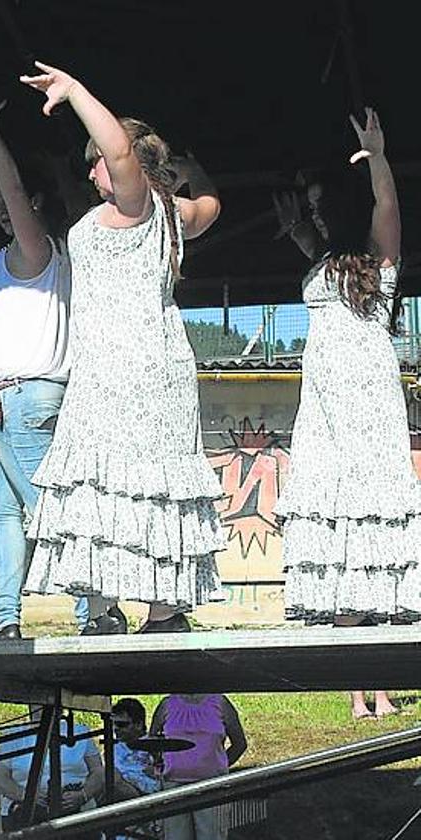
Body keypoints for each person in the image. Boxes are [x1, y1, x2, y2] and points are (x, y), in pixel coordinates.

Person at [15, 62, 226, 633]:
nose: (92, 171)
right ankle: (158, 610)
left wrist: (76, 90)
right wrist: (193, 169)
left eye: (97, 161)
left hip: (124, 368)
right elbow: (211, 205)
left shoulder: (137, 204)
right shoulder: (173, 214)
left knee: (117, 482)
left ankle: (126, 610)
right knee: (143, 483)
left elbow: (123, 157)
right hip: (146, 366)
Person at [272, 108, 420, 721]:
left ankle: (378, 685)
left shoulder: (378, 268)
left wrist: (379, 157)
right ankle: (357, 690)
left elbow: (388, 210)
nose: (315, 212)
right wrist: (297, 227)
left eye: (319, 201)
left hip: (369, 409)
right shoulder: (323, 263)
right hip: (324, 412)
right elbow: (315, 247)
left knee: (369, 535)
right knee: (338, 534)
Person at [0, 92, 105, 639]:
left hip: (28, 399)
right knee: (2, 514)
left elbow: (16, 193)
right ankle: (5, 619)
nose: (3, 209)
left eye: (10, 203)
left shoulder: (39, 253)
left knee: (48, 512)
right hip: (5, 404)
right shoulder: (10, 260)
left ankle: (93, 611)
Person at [0, 705, 105, 833]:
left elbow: (98, 771)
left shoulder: (79, 732)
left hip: (75, 807)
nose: (44, 706)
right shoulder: (13, 737)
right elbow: (0, 779)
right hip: (25, 811)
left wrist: (83, 795)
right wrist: (26, 796)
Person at [151, 694, 247, 840]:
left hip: (212, 787)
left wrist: (220, 765)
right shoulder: (166, 704)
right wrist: (161, 763)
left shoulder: (221, 703)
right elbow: (152, 741)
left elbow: (239, 743)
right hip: (174, 787)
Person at [110, 697, 161, 840]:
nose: (116, 729)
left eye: (122, 724)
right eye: (114, 724)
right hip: (119, 802)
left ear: (138, 724)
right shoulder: (114, 747)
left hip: (146, 797)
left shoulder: (155, 747)